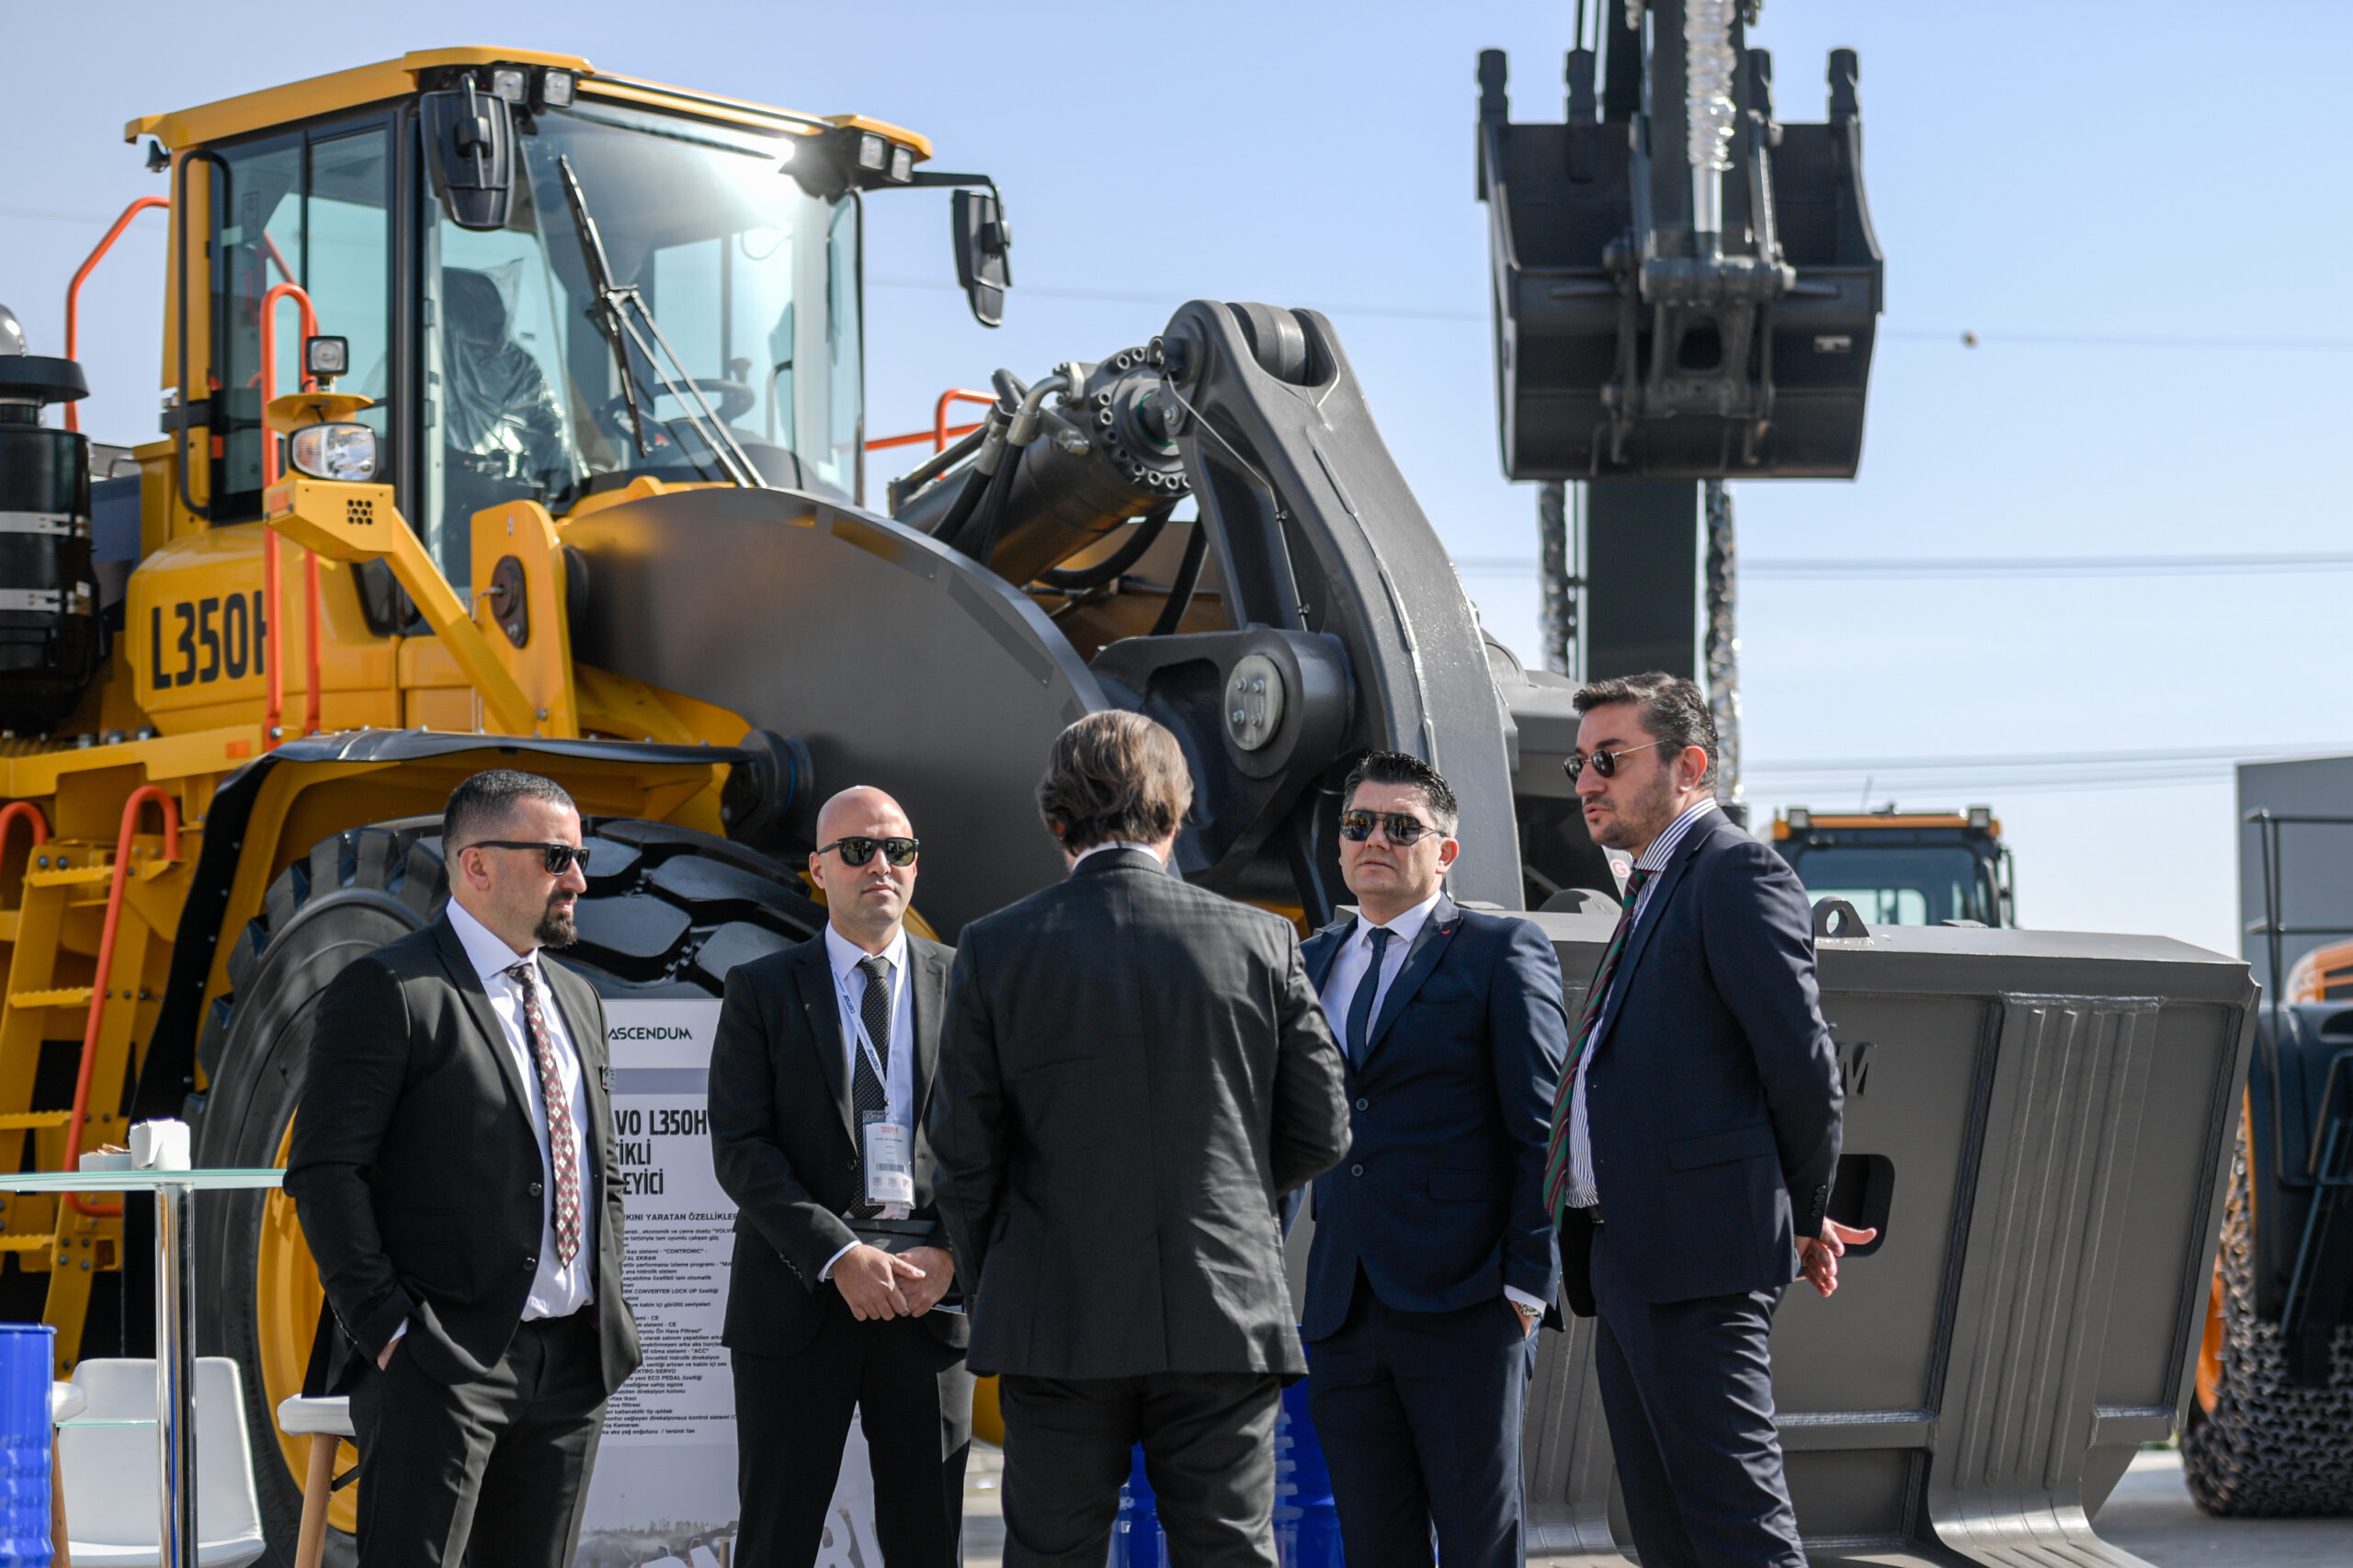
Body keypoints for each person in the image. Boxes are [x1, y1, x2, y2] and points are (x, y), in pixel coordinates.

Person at [930, 710, 1351, 1568]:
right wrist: (1236, 1204)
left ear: (1056, 819)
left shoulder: (996, 947)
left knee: (1051, 1554)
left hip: (1056, 1318)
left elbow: (962, 1155)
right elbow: (1324, 1128)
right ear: (1178, 812)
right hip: (1224, 1308)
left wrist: (997, 1282)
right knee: (1230, 1553)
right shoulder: (1262, 940)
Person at [1546, 673, 1874, 1568]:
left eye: (1609, 759)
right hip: (1627, 1257)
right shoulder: (1653, 886)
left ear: (1688, 766)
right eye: (1579, 763)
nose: (1586, 781)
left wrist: (1801, 1212)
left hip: (1695, 1259)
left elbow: (1802, 1066)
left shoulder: (1734, 872)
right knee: (1669, 1538)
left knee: (1738, 1534)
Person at [288, 769, 640, 1568]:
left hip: (571, 1367)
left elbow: (599, 1169)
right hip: (440, 1365)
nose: (578, 881)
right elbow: (324, 1172)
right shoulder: (388, 989)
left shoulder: (578, 999)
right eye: (556, 858)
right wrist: (390, 1331)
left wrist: (603, 1306)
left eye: (580, 858)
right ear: (477, 865)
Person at [1299, 750, 1570, 1568]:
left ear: (1445, 851)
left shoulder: (1501, 951)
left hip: (1468, 1307)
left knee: (1478, 1546)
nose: (1375, 839)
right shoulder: (1308, 961)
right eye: (1358, 824)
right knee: (1374, 1546)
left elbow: (1544, 1130)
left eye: (1401, 826)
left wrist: (1526, 1289)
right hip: (1343, 1311)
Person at [707, 785, 971, 1566]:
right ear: (818, 870)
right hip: (800, 1299)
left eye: (899, 849)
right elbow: (742, 1148)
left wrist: (951, 1254)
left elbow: (1001, 1143)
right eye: (858, 850)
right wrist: (838, 1255)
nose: (881, 864)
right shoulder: (761, 990)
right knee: (777, 1540)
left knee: (929, 1544)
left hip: (927, 1301)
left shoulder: (972, 984)